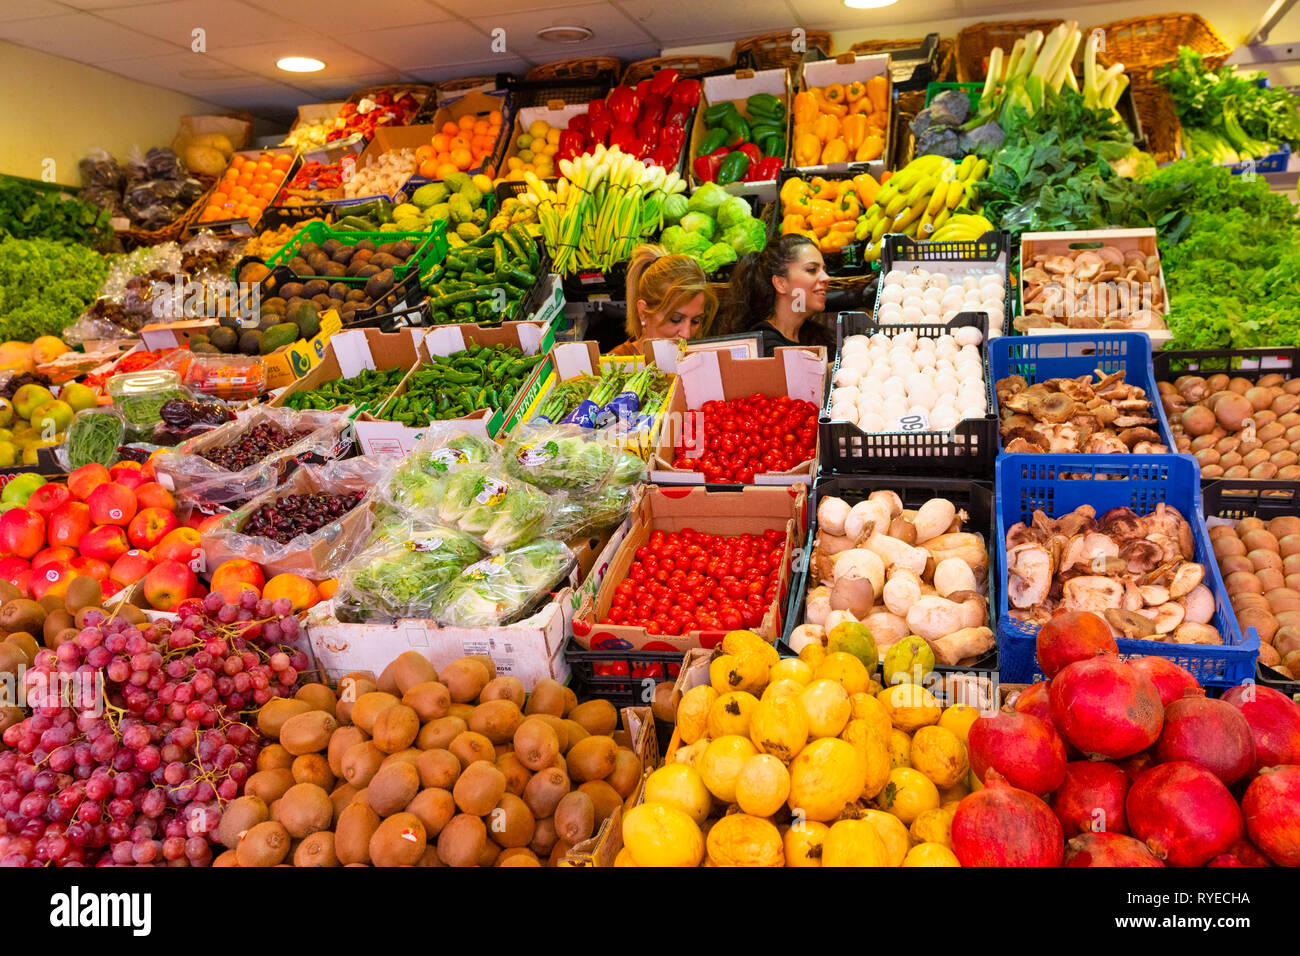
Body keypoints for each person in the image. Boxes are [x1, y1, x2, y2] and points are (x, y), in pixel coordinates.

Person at [723, 234, 835, 355]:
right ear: (780, 283)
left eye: (824, 269)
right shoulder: (763, 346)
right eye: (812, 270)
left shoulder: (815, 335)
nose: (826, 277)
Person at [608, 244, 717, 356]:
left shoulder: (698, 357)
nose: (687, 334)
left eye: (695, 321)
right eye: (675, 319)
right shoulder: (616, 366)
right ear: (643, 312)